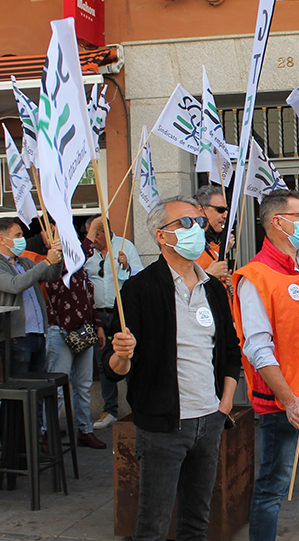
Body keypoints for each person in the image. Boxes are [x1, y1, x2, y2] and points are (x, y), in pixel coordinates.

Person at [105, 195, 242, 541]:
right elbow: (114, 369)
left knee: (197, 523)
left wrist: (223, 405)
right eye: (184, 223)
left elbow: (229, 351)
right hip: (163, 426)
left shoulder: (214, 289)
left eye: (198, 221)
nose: (195, 228)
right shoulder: (138, 289)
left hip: (209, 420)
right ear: (162, 236)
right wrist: (122, 353)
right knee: (153, 524)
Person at [234, 189, 299, 541]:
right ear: (278, 222)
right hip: (284, 402)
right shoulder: (255, 277)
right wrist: (290, 399)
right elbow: (258, 348)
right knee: (274, 487)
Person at [27, 226, 107, 450]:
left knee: (83, 385)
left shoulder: (79, 267)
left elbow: (88, 299)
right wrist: (93, 230)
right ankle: (47, 432)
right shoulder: (52, 264)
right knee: (57, 387)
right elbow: (76, 259)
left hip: (84, 330)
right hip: (60, 332)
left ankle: (85, 430)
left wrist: (97, 325)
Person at [0, 217, 62, 380]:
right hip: (16, 338)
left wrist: (57, 256)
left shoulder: (23, 262)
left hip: (38, 334)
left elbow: (52, 275)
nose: (22, 239)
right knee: (18, 390)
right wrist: (46, 261)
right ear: (2, 239)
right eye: (17, 236)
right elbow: (15, 285)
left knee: (38, 390)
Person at [84, 215, 144, 430]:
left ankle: (135, 407)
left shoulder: (125, 246)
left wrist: (126, 265)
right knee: (104, 362)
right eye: (91, 233)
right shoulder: (87, 252)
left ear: (106, 231)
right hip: (98, 315)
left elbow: (141, 276)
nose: (94, 238)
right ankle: (110, 410)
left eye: (97, 233)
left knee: (128, 357)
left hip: (122, 313)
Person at [193, 184, 232, 282]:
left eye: (226, 210)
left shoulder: (211, 245)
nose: (225, 215)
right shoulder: (189, 246)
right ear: (201, 211)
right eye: (220, 210)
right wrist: (209, 274)